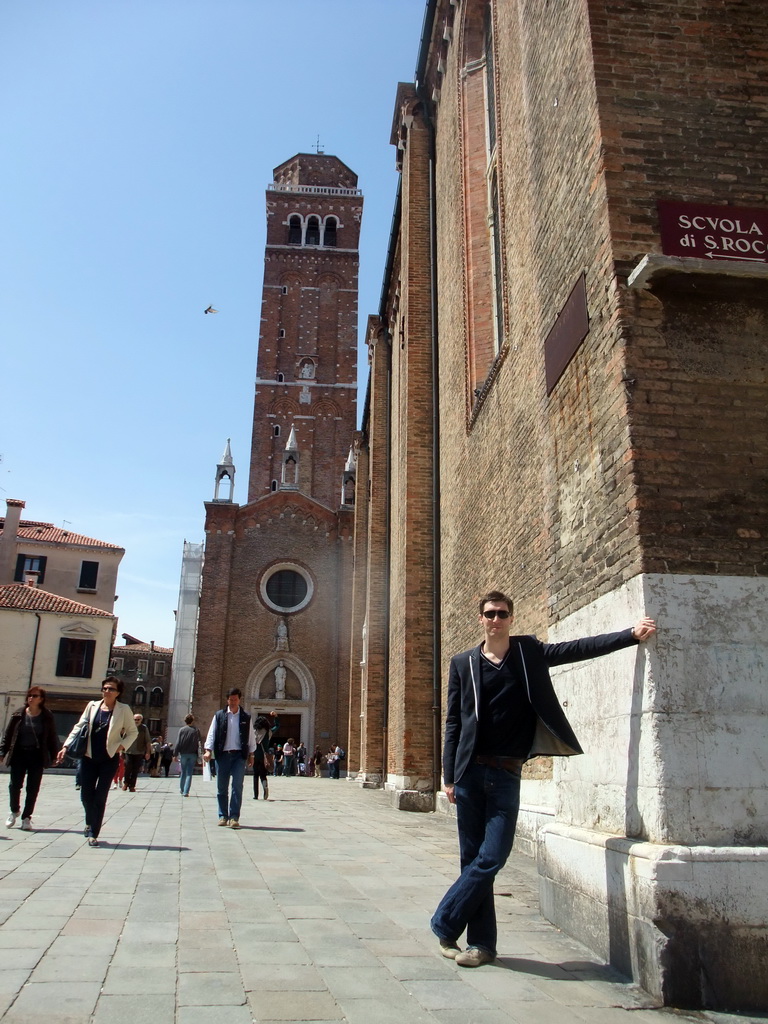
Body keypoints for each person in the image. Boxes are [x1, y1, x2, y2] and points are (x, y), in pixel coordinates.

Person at [431, 590, 657, 968]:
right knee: (471, 859)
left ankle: (443, 922)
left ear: (511, 618)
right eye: (490, 614)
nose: (496, 619)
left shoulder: (527, 653)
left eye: (502, 613)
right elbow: (453, 721)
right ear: (481, 619)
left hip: (506, 773)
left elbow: (577, 648)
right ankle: (481, 945)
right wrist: (448, 775)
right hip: (469, 773)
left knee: (492, 857)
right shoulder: (462, 663)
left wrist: (628, 635)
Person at [56, 677, 138, 847]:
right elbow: (79, 727)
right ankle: (89, 820)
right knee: (86, 794)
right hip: (88, 757)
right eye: (105, 688)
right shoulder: (92, 706)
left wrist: (121, 746)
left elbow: (132, 732)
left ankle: (94, 832)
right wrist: (66, 746)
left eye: (111, 689)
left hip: (109, 758)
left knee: (100, 796)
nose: (107, 691)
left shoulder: (124, 710)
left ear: (118, 693)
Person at [1, 687, 60, 831]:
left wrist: (54, 755)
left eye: (35, 696)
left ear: (41, 699)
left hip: (36, 755)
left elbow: (52, 737)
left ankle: (26, 817)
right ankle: (14, 811)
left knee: (33, 788)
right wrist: (2, 752)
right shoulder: (18, 714)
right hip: (19, 754)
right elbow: (8, 735)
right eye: (30, 695)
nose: (31, 698)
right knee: (14, 785)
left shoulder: (46, 716)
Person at [203, 688, 256, 828]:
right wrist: (208, 751)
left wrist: (251, 754)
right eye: (230, 699)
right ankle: (222, 816)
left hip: (239, 755)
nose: (233, 702)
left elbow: (251, 737)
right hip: (223, 755)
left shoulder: (246, 717)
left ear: (239, 700)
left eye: (235, 699)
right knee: (222, 787)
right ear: (227, 700)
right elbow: (211, 734)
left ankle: (234, 817)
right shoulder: (219, 716)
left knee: (237, 786)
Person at [252, 712, 278, 801]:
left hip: (255, 755)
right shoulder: (269, 732)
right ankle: (265, 786)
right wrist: (276, 717)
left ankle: (255, 795)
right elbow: (277, 726)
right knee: (263, 774)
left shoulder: (254, 732)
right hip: (264, 756)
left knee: (255, 775)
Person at [175, 713, 202, 797]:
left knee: (183, 772)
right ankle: (186, 791)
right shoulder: (196, 730)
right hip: (193, 754)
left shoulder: (182, 730)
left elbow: (178, 742)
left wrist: (175, 754)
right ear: (192, 721)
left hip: (183, 754)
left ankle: (182, 789)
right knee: (189, 773)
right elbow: (200, 743)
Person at [123, 713, 152, 792]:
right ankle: (126, 783)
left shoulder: (143, 728)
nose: (136, 721)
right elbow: (123, 738)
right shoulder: (129, 727)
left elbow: (148, 741)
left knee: (135, 769)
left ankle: (132, 786)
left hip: (139, 751)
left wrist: (148, 752)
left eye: (138, 719)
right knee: (128, 767)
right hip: (128, 750)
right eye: (135, 719)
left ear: (141, 720)